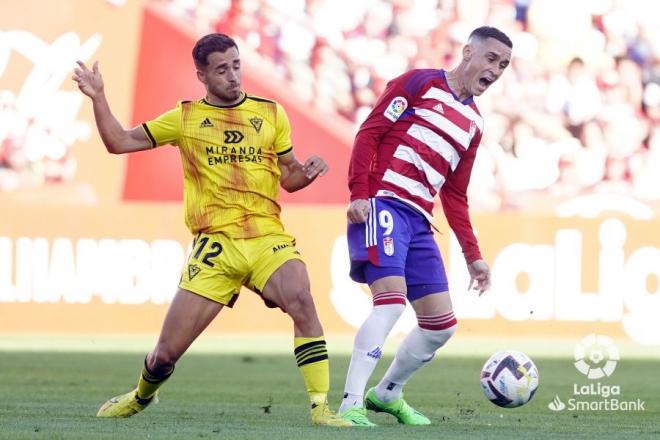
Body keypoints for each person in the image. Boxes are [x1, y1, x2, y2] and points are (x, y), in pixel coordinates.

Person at [72, 33, 351, 427]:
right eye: (222, 69)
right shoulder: (185, 119)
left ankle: (321, 407)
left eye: (236, 65)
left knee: (302, 300)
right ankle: (141, 395)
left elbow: (289, 177)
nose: (233, 76)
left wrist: (307, 172)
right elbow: (118, 142)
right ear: (201, 75)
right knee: (165, 355)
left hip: (265, 237)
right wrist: (99, 97)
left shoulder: (271, 114)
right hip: (215, 246)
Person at [338, 26, 512, 426]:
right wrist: (358, 193)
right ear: (468, 51)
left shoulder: (474, 124)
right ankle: (350, 404)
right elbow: (370, 132)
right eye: (491, 58)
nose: (496, 69)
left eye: (503, 65)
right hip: (383, 203)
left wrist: (474, 257)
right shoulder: (420, 83)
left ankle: (387, 395)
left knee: (440, 326)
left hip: (419, 221)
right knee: (391, 303)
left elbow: (455, 195)